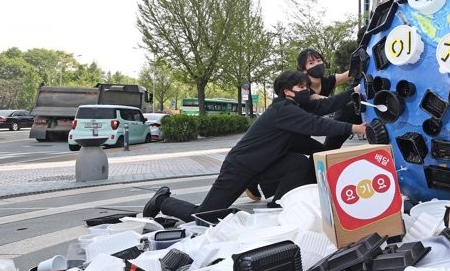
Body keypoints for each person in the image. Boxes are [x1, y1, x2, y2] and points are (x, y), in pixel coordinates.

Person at [143, 70, 367, 222]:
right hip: (240, 167)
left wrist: (354, 91)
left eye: (307, 86)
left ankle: (279, 206)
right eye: (301, 86)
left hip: (263, 167)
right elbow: (317, 124)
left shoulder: (296, 106)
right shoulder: (283, 110)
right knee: (205, 216)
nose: (306, 90)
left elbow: (326, 105)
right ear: (287, 91)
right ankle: (162, 199)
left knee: (298, 163)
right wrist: (356, 129)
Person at [244, 48, 361, 201]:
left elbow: (350, 72)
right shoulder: (304, 89)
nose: (317, 64)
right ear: (303, 70)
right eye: (311, 63)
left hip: (303, 129)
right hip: (288, 131)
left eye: (319, 60)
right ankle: (254, 182)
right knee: (288, 159)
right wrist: (355, 91)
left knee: (315, 152)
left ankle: (306, 187)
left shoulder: (326, 81)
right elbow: (327, 104)